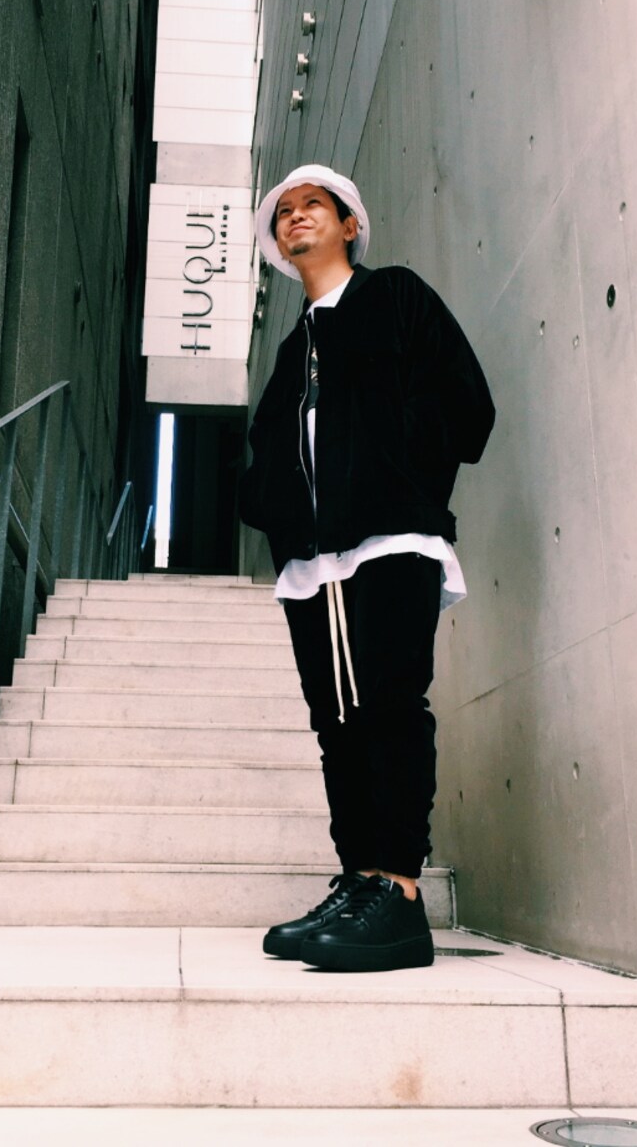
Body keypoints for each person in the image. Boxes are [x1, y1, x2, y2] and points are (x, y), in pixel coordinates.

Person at [239, 164, 495, 972]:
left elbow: (464, 400)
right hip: (313, 564)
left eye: (312, 204)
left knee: (388, 707)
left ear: (350, 224)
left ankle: (400, 893)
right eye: (283, 211)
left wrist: (402, 474)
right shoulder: (294, 349)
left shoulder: (394, 297)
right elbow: (268, 452)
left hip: (389, 541)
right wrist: (278, 513)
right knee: (337, 726)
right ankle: (359, 882)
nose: (295, 216)